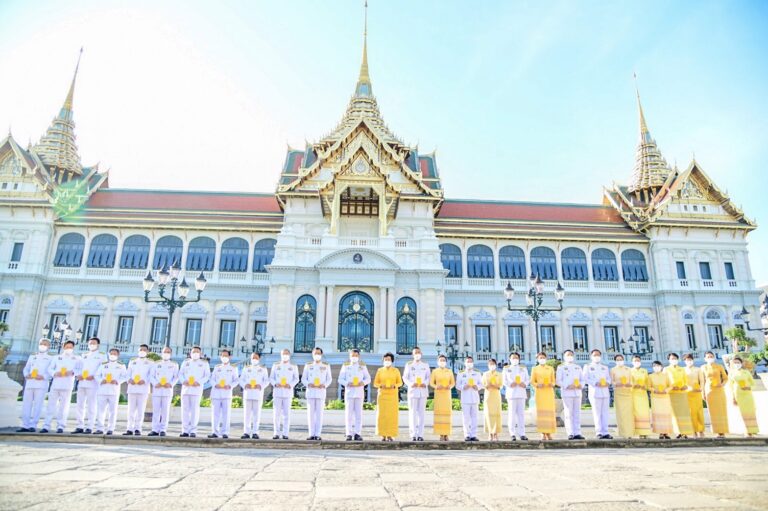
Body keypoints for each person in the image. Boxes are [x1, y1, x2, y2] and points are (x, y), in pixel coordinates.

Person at [40, 340, 80, 434]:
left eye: (71, 347)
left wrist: (72, 372)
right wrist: (55, 373)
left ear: (73, 348)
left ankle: (61, 426)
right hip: (56, 384)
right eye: (67, 347)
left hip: (67, 384)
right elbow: (50, 368)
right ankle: (46, 425)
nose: (69, 349)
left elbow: (79, 369)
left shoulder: (76, 358)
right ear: (63, 347)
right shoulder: (57, 357)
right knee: (51, 405)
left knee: (64, 407)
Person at [73, 337, 107, 434]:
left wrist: (94, 376)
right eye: (90, 343)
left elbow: (103, 369)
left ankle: (90, 426)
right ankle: (79, 426)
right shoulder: (83, 355)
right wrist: (77, 375)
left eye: (94, 343)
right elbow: (77, 368)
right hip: (82, 382)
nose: (92, 344)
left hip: (93, 383)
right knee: (80, 405)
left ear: (98, 345)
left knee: (91, 405)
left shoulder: (102, 355)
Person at [18, 338, 53, 433]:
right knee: (26, 405)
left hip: (41, 384)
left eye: (45, 344)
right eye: (41, 344)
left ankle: (33, 425)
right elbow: (26, 369)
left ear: (49, 347)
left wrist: (43, 376)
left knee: (38, 405)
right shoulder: (32, 357)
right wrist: (26, 375)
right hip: (30, 383)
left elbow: (51, 372)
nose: (43, 345)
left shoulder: (50, 358)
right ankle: (25, 425)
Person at [338, 349, 371, 441]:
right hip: (349, 392)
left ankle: (357, 433)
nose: (354, 357)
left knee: (358, 414)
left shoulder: (362, 366)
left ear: (359, 356)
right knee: (348, 414)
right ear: (350, 356)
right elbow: (340, 379)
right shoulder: (345, 366)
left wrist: (363, 383)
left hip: (359, 392)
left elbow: (368, 378)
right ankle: (348, 433)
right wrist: (347, 383)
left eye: (356, 355)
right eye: (353, 355)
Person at [178, 346, 210, 438]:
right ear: (190, 353)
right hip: (186, 388)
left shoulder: (204, 363)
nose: (195, 353)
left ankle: (193, 430)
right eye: (193, 352)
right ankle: (185, 430)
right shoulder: (186, 362)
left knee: (194, 410)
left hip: (196, 389)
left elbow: (207, 375)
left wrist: (199, 382)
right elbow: (181, 373)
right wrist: (184, 381)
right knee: (185, 410)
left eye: (197, 352)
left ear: (200, 354)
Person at [301, 347, 332, 440]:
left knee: (319, 414)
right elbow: (303, 378)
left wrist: (324, 385)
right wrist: (308, 384)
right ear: (312, 354)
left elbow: (329, 379)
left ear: (321, 355)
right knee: (310, 414)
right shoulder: (308, 365)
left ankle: (317, 434)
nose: (317, 355)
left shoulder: (326, 366)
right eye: (315, 353)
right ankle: (311, 434)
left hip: (320, 392)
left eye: (318, 353)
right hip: (311, 392)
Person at [94, 348, 127, 435]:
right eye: (111, 353)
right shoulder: (103, 364)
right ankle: (100, 428)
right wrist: (101, 380)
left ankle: (110, 428)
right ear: (108, 354)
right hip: (102, 390)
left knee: (112, 411)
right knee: (101, 410)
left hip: (114, 390)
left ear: (118, 355)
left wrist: (117, 381)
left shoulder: (121, 365)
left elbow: (125, 377)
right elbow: (97, 375)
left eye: (114, 354)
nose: (112, 355)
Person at [124, 344, 154, 436]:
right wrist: (129, 380)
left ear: (147, 352)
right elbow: (128, 374)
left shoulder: (150, 362)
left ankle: (138, 428)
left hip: (143, 388)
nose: (142, 351)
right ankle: (129, 428)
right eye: (140, 350)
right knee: (131, 410)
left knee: (141, 410)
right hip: (132, 388)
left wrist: (144, 381)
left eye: (144, 350)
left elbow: (151, 375)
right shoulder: (132, 361)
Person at [148, 346, 178, 437]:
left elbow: (176, 377)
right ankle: (155, 429)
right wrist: (155, 383)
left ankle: (163, 429)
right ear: (162, 353)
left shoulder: (174, 364)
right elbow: (151, 375)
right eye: (165, 352)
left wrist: (170, 384)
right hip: (157, 389)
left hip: (167, 390)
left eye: (168, 352)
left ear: (171, 354)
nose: (166, 353)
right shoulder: (156, 364)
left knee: (165, 411)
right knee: (156, 411)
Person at [582, 349, 612, 439]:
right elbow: (585, 378)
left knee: (605, 412)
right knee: (597, 412)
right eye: (595, 355)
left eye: (598, 355)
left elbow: (609, 378)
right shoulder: (587, 366)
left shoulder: (605, 367)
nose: (596, 357)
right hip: (595, 391)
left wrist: (608, 383)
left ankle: (605, 431)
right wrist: (595, 383)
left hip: (605, 392)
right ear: (591, 356)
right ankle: (599, 432)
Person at [402, 347, 431, 442]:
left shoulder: (425, 365)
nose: (417, 354)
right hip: (413, 391)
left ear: (421, 353)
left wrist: (425, 383)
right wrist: (410, 384)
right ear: (412, 355)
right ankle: (413, 434)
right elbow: (405, 377)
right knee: (413, 413)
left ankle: (421, 434)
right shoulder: (409, 365)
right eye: (415, 353)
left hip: (422, 391)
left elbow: (428, 377)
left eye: (418, 352)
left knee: (421, 414)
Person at [209, 349, 238, 439]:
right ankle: (215, 432)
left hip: (226, 393)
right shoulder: (217, 367)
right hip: (216, 393)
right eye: (223, 356)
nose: (224, 357)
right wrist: (215, 384)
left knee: (226, 414)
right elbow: (211, 379)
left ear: (230, 357)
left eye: (226, 356)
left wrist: (230, 386)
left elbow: (236, 380)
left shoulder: (233, 368)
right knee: (215, 414)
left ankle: (225, 432)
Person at [663, 353, 694, 439]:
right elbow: (664, 382)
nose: (674, 360)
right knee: (674, 414)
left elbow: (686, 381)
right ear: (669, 360)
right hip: (672, 394)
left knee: (683, 413)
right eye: (672, 358)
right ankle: (678, 432)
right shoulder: (666, 369)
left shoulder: (682, 369)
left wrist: (685, 385)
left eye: (675, 358)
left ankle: (684, 432)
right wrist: (671, 387)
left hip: (682, 394)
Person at [270, 348, 299, 439]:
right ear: (281, 355)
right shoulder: (275, 365)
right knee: (276, 414)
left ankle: (285, 433)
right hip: (277, 392)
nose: (285, 355)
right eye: (283, 354)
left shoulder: (293, 366)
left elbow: (296, 378)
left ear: (289, 355)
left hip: (287, 393)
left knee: (286, 414)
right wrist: (275, 383)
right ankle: (276, 433)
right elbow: (271, 378)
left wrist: (290, 385)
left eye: (286, 354)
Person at [240, 351, 270, 439]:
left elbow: (266, 381)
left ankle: (255, 432)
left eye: (256, 358)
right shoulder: (246, 368)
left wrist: (260, 385)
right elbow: (241, 379)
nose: (254, 359)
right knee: (247, 414)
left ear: (259, 359)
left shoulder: (263, 369)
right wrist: (245, 384)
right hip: (248, 393)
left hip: (258, 393)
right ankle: (246, 432)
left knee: (257, 414)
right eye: (253, 357)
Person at [373, 352, 402, 442]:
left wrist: (394, 385)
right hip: (382, 395)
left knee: (392, 415)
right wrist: (381, 385)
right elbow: (375, 383)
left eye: (389, 359)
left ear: (392, 361)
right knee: (382, 415)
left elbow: (400, 382)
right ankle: (382, 434)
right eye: (385, 359)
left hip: (392, 396)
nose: (387, 361)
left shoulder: (395, 371)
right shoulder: (380, 370)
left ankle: (390, 435)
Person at [556, 350, 584, 440]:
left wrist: (581, 385)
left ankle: (577, 432)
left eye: (571, 355)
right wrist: (567, 386)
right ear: (564, 356)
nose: (570, 356)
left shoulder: (578, 367)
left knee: (577, 413)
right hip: (567, 392)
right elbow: (558, 381)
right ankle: (570, 433)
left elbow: (582, 379)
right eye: (568, 355)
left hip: (577, 392)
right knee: (568, 413)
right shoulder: (561, 368)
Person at [456, 356, 484, 442]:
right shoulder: (460, 373)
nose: (469, 363)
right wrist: (464, 386)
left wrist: (477, 387)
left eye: (471, 362)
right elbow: (457, 385)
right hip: (465, 398)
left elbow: (481, 384)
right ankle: (467, 434)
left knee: (475, 417)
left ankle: (474, 434)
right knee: (466, 418)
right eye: (468, 362)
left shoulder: (477, 373)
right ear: (465, 363)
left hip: (474, 398)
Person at [701, 351, 728, 438]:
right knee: (712, 412)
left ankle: (722, 431)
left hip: (719, 391)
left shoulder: (719, 366)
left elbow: (725, 378)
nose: (710, 358)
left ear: (714, 357)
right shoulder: (703, 367)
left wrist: (722, 384)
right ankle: (716, 431)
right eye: (708, 357)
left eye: (711, 356)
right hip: (709, 391)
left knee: (721, 411)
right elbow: (702, 381)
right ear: (705, 358)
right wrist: (703, 393)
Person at [503, 352, 529, 441]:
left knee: (521, 415)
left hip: (521, 393)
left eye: (516, 358)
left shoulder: (523, 368)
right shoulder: (506, 369)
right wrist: (510, 384)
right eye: (513, 358)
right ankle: (512, 433)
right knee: (512, 414)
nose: (515, 359)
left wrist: (524, 384)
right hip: (511, 393)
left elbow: (527, 379)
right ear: (510, 359)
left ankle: (522, 433)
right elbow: (504, 381)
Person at [729, 356, 758, 437]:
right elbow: (730, 386)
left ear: (741, 363)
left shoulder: (746, 372)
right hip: (738, 395)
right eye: (735, 363)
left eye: (738, 362)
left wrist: (748, 387)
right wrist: (733, 397)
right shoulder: (731, 373)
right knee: (741, 413)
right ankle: (745, 430)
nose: (736, 364)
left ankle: (752, 431)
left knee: (750, 413)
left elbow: (753, 383)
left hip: (747, 395)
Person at [530, 352, 556, 440]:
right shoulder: (535, 369)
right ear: (537, 359)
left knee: (549, 413)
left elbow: (553, 381)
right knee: (541, 413)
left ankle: (549, 433)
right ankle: (542, 432)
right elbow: (532, 381)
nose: (542, 359)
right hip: (540, 392)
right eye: (540, 357)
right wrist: (537, 385)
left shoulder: (550, 368)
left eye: (543, 357)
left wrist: (551, 384)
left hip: (549, 392)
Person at [429, 354, 454, 441]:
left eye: (444, 360)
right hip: (439, 394)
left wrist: (449, 387)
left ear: (446, 362)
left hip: (447, 395)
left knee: (447, 414)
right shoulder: (435, 371)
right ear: (438, 362)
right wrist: (436, 386)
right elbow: (431, 383)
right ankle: (440, 434)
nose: (442, 362)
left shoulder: (449, 371)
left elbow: (453, 383)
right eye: (440, 360)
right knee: (439, 414)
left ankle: (446, 433)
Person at [610, 353, 634, 438]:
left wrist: (630, 384)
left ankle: (629, 433)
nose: (620, 361)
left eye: (621, 359)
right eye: (618, 360)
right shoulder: (613, 370)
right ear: (615, 361)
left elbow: (632, 381)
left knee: (628, 413)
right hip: (618, 392)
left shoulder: (628, 369)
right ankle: (622, 433)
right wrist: (617, 384)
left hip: (628, 392)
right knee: (620, 413)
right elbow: (611, 381)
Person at [648, 360, 673, 439]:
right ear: (652, 367)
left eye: (658, 366)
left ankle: (666, 432)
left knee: (666, 415)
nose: (656, 367)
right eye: (655, 366)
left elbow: (670, 386)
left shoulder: (666, 375)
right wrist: (654, 390)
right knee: (658, 416)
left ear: (661, 367)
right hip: (655, 398)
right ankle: (660, 433)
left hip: (665, 398)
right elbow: (648, 386)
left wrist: (665, 390)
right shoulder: (650, 376)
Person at [683, 354, 705, 438]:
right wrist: (688, 388)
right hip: (688, 394)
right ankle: (693, 431)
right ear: (684, 361)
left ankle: (701, 430)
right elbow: (683, 382)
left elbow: (702, 381)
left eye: (690, 359)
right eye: (687, 360)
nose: (689, 361)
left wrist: (701, 389)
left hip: (697, 393)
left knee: (699, 412)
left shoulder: (698, 369)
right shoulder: (683, 370)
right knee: (691, 413)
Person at [630, 355, 651, 438]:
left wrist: (644, 387)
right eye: (635, 361)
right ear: (632, 362)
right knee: (635, 413)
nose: (637, 362)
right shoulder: (630, 371)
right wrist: (633, 386)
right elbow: (628, 383)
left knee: (644, 413)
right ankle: (636, 431)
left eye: (638, 360)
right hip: (634, 394)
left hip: (643, 394)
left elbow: (647, 383)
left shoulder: (644, 371)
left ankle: (644, 432)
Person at [482, 359, 502, 441]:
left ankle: (496, 433)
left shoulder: (499, 374)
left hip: (496, 395)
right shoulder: (485, 374)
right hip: (488, 395)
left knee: (497, 414)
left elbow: (500, 385)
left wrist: (495, 385)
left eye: (493, 364)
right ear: (488, 365)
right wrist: (488, 385)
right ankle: (490, 433)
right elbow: (483, 384)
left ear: (496, 365)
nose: (492, 365)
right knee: (488, 414)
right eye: (490, 364)